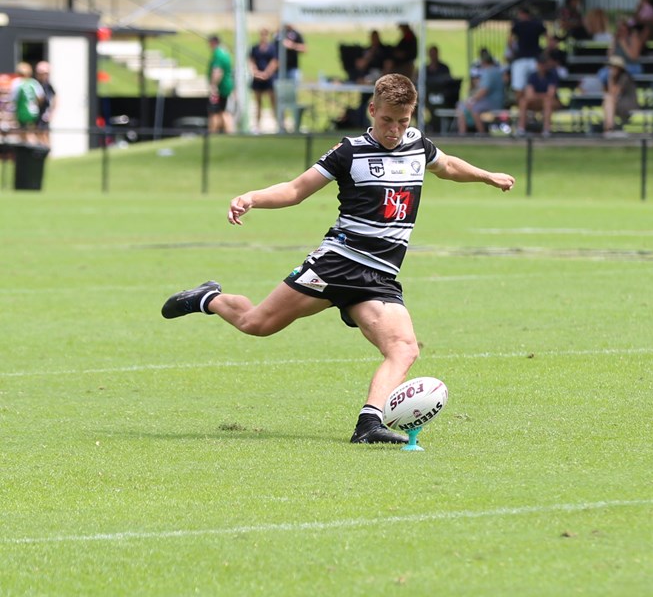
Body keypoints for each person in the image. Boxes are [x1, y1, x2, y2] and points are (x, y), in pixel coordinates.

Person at [160, 74, 515, 446]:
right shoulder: (349, 151)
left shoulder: (417, 146)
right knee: (256, 324)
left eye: (403, 121)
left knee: (404, 348)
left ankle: (369, 425)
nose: (394, 130)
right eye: (386, 121)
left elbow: (447, 166)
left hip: (380, 276)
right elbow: (296, 190)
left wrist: (486, 176)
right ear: (372, 110)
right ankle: (207, 297)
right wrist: (252, 196)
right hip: (339, 263)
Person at [456, 49, 505, 135]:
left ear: (483, 62)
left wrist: (471, 100)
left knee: (472, 108)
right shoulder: (497, 71)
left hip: (491, 102)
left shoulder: (489, 72)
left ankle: (480, 134)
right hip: (495, 101)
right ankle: (464, 132)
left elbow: (483, 91)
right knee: (465, 106)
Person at [515, 55, 562, 136]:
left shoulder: (552, 75)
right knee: (523, 101)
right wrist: (542, 96)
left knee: (547, 102)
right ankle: (521, 129)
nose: (542, 67)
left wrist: (537, 96)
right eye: (540, 64)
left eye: (544, 64)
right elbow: (529, 94)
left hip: (551, 102)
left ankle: (546, 130)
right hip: (537, 102)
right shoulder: (532, 76)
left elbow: (551, 94)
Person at [508, 7, 546, 93]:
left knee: (519, 87)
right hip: (535, 59)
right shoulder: (537, 25)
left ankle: (522, 104)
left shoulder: (517, 26)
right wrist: (544, 51)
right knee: (535, 86)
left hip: (521, 58)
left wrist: (514, 51)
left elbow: (509, 41)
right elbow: (549, 39)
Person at [248, 29, 278, 132]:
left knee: (273, 101)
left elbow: (274, 61)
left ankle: (277, 124)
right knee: (258, 102)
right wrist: (256, 72)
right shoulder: (255, 48)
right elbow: (251, 61)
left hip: (268, 78)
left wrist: (267, 73)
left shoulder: (272, 48)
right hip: (257, 78)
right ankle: (257, 125)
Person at [602, 55, 639, 135]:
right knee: (608, 100)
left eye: (613, 67)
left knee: (608, 99)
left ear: (619, 68)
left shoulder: (625, 77)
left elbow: (614, 93)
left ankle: (609, 128)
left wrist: (610, 78)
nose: (610, 69)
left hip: (628, 104)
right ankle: (609, 127)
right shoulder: (614, 78)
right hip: (618, 103)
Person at [206, 34, 235, 134]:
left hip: (220, 89)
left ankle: (214, 135)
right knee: (221, 112)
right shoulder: (224, 52)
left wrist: (213, 86)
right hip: (226, 87)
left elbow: (218, 71)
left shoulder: (218, 54)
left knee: (215, 112)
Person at [10, 62, 43, 144]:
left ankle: (29, 151)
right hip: (33, 111)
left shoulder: (17, 83)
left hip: (22, 111)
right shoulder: (33, 82)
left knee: (23, 132)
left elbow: (13, 98)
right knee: (32, 131)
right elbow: (40, 97)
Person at [33, 60, 55, 147]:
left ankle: (46, 152)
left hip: (44, 113)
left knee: (44, 133)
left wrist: (52, 112)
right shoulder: (36, 84)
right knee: (38, 133)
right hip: (37, 113)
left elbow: (55, 98)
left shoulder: (48, 85)